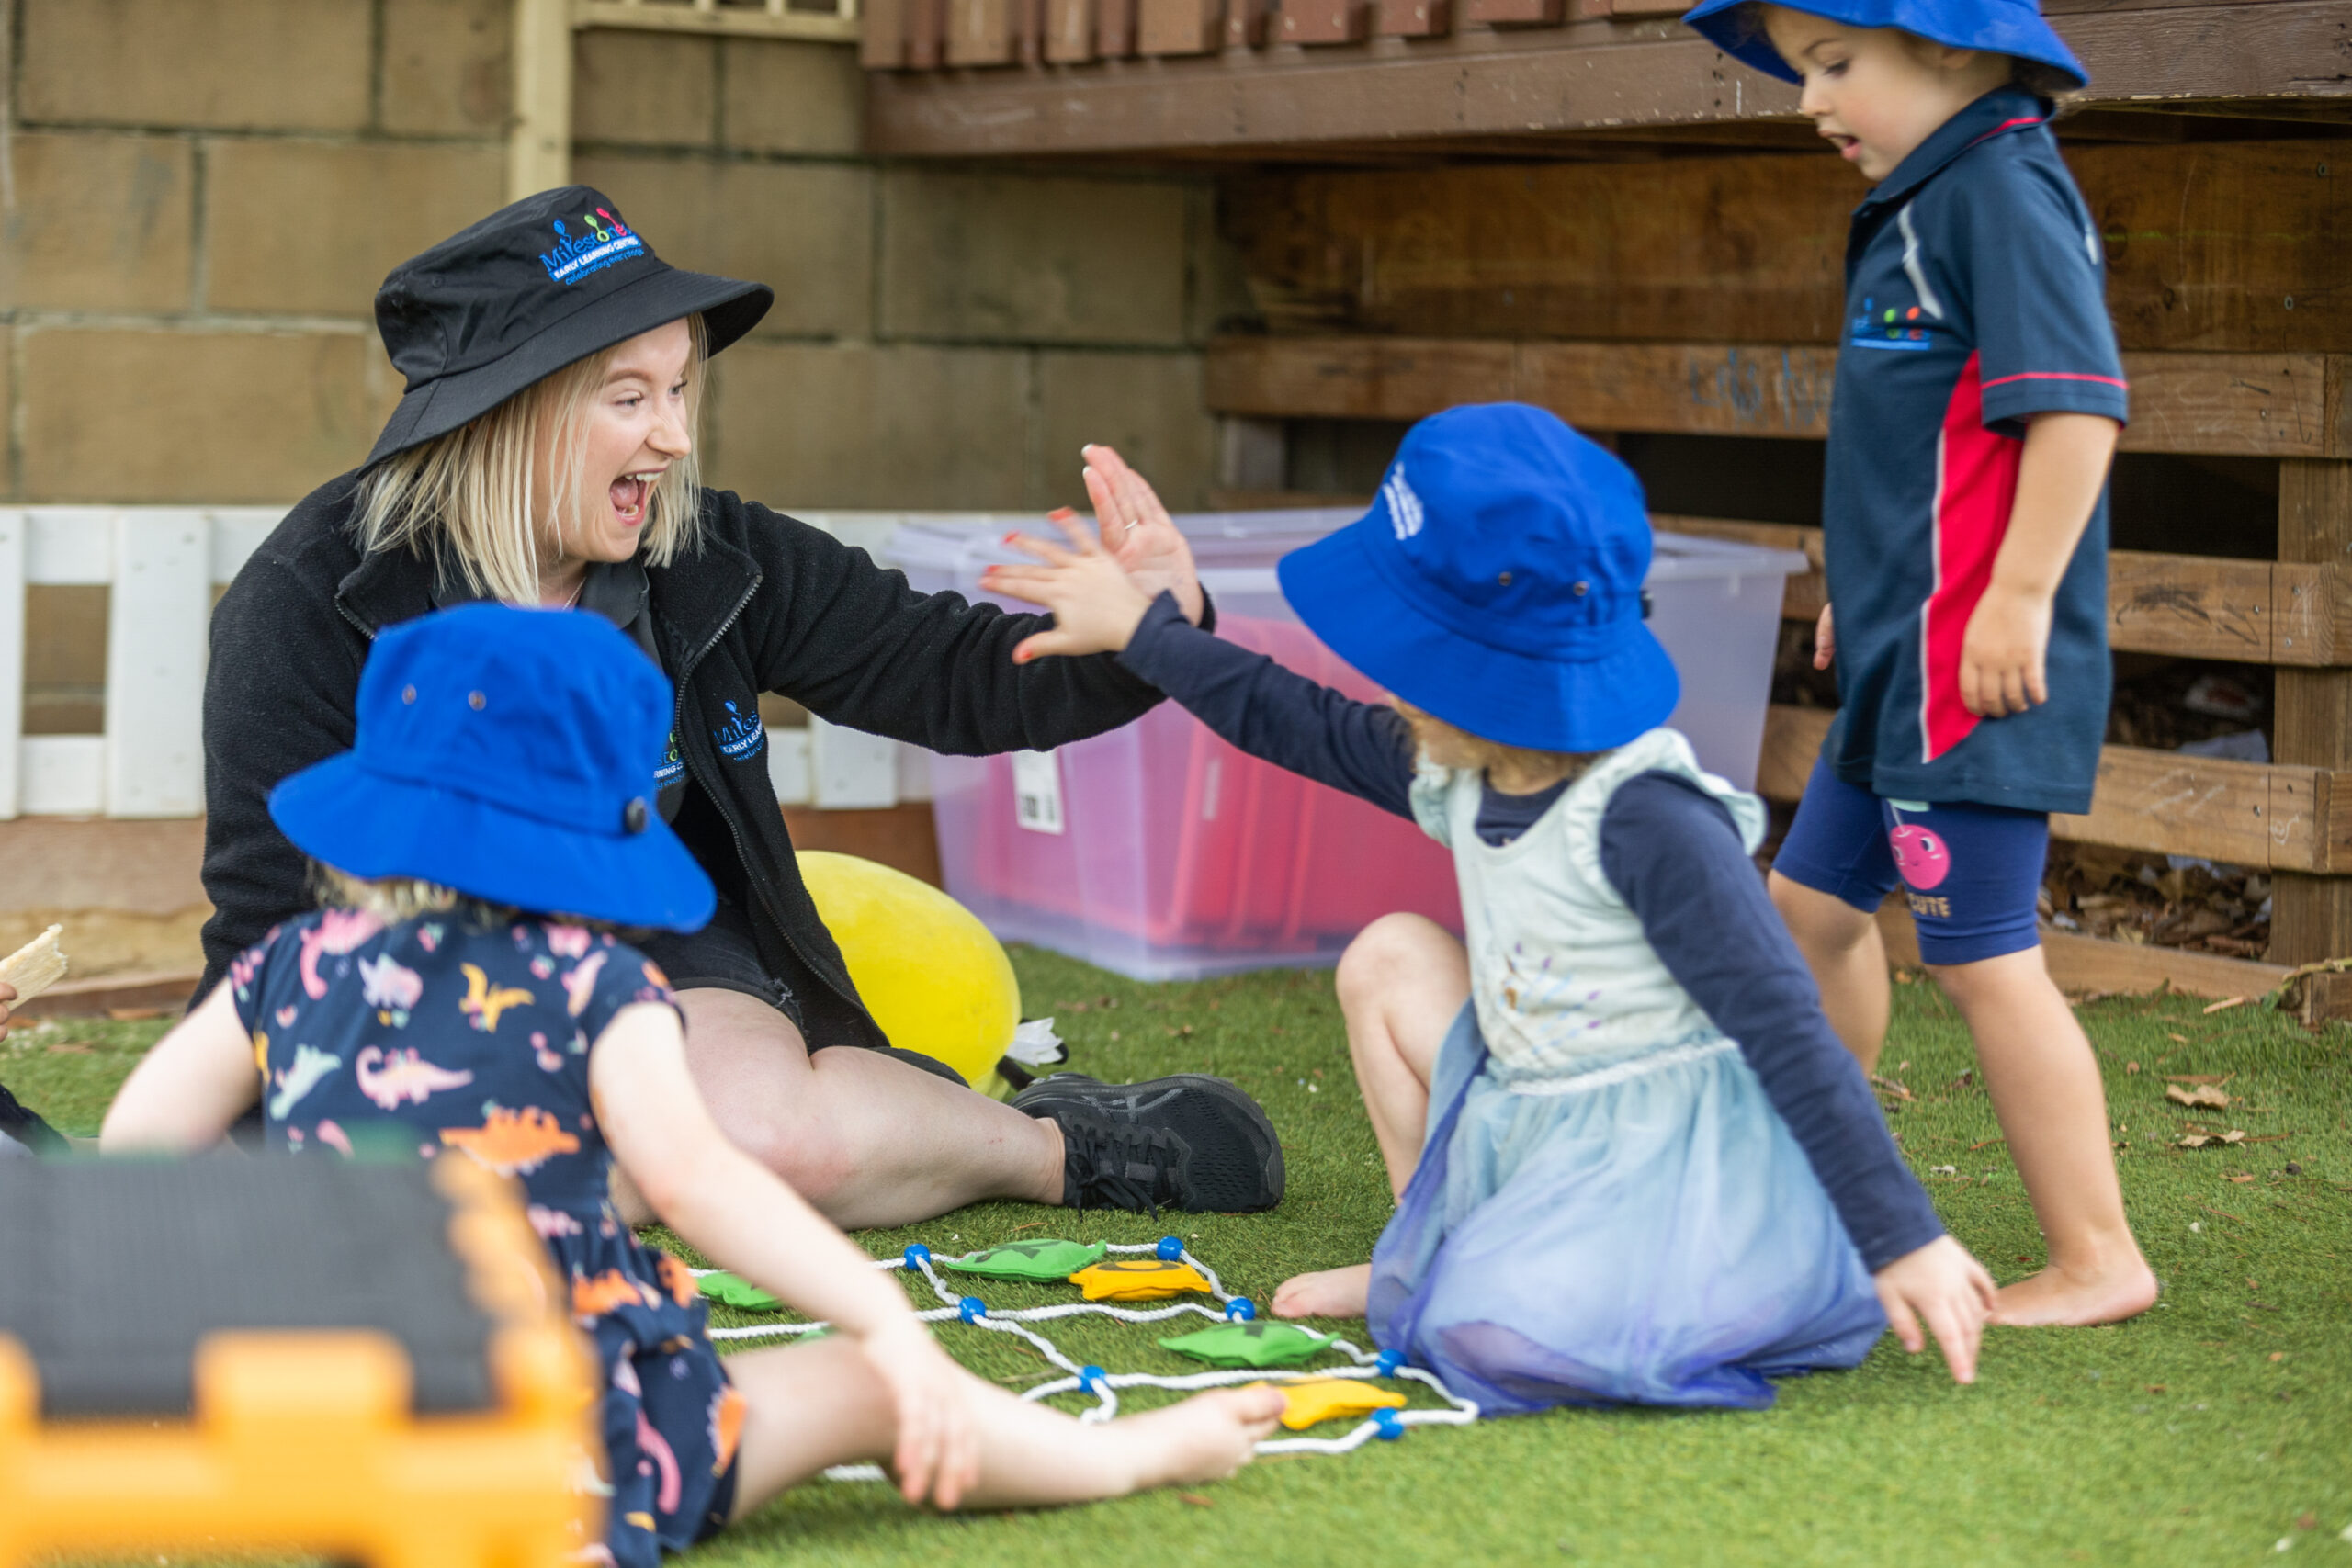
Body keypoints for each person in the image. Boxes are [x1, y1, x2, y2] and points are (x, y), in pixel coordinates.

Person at [103, 604, 1288, 1565]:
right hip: (565, 1472)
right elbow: (706, 1186)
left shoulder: (284, 970)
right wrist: (885, 1324)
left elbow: (141, 1142)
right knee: (857, 1387)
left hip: (334, 1458)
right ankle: (1130, 1459)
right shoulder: (592, 988)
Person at [197, 186, 1282, 1228]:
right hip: (424, 984)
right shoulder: (307, 602)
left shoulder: (708, 556)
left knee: (761, 1140)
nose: (671, 437)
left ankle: (1052, 1144)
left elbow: (952, 674)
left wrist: (1149, 632)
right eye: (629, 398)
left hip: (658, 940)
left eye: (678, 390)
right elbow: (269, 919)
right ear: (502, 414)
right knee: (457, 1187)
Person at [981, 404, 1995, 1413]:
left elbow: (1787, 1032)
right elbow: (1290, 717)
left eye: (1408, 653)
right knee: (1388, 957)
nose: (1386, 679)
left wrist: (1902, 1237)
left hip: (1664, 1171)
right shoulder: (1463, 759)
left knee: (1485, 1334)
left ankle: (1486, 1285)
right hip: (1535, 1103)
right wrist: (1158, 627)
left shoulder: (1649, 818)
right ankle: (1419, 1255)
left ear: (1479, 672)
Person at [1680, 0, 2156, 1326]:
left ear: (1951, 50)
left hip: (1973, 671)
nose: (1804, 100)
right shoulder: (1922, 190)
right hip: (1905, 649)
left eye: (1833, 66)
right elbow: (1924, 440)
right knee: (1812, 910)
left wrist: (2014, 596)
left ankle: (2100, 1252)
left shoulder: (2001, 188)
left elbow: (2073, 406)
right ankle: (1822, 1188)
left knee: (1984, 955)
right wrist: (1863, 590)